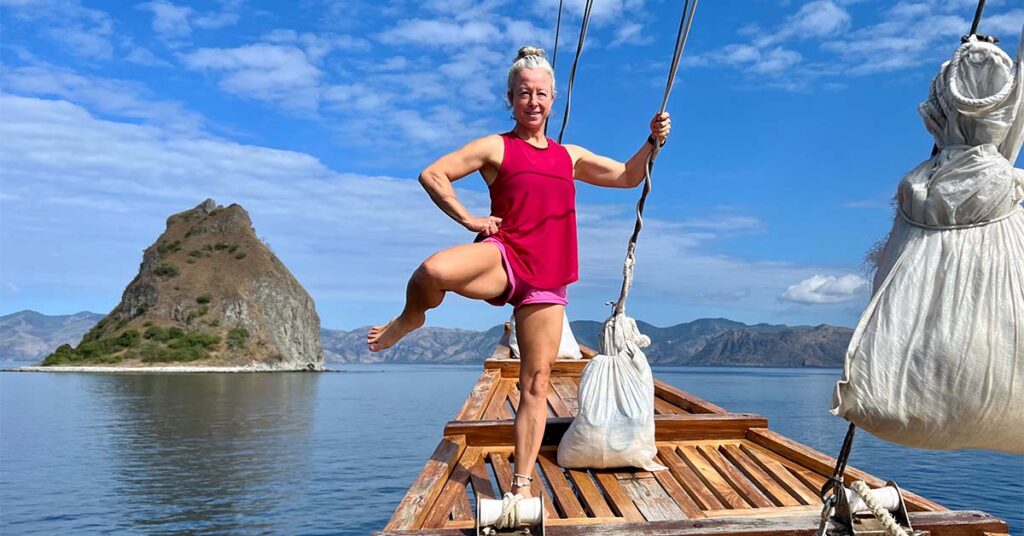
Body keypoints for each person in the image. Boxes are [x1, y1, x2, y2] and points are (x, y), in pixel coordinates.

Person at [367, 46, 671, 498]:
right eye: (524, 93)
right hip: (504, 256)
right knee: (431, 271)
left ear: (553, 101)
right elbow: (433, 174)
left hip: (547, 277)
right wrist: (469, 219)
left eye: (542, 94)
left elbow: (628, 176)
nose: (533, 101)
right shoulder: (496, 147)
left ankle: (521, 485)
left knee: (535, 380)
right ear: (510, 97)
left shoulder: (569, 156)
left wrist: (652, 141)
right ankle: (411, 318)